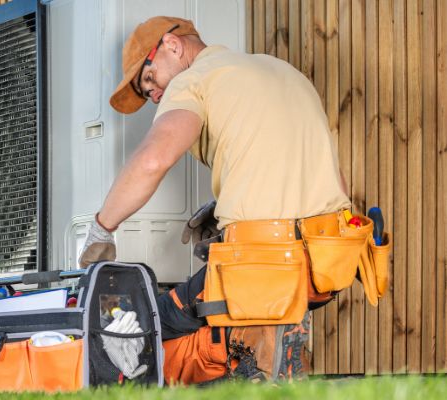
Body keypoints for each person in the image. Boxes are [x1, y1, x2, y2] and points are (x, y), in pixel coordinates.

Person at [79, 16, 352, 384]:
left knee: (147, 323)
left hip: (261, 264)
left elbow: (152, 160)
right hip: (325, 264)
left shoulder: (195, 79)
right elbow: (335, 181)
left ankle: (251, 361)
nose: (155, 96)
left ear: (172, 46)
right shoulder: (282, 71)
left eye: (149, 80)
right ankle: (264, 350)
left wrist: (101, 228)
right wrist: (230, 207)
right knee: (222, 313)